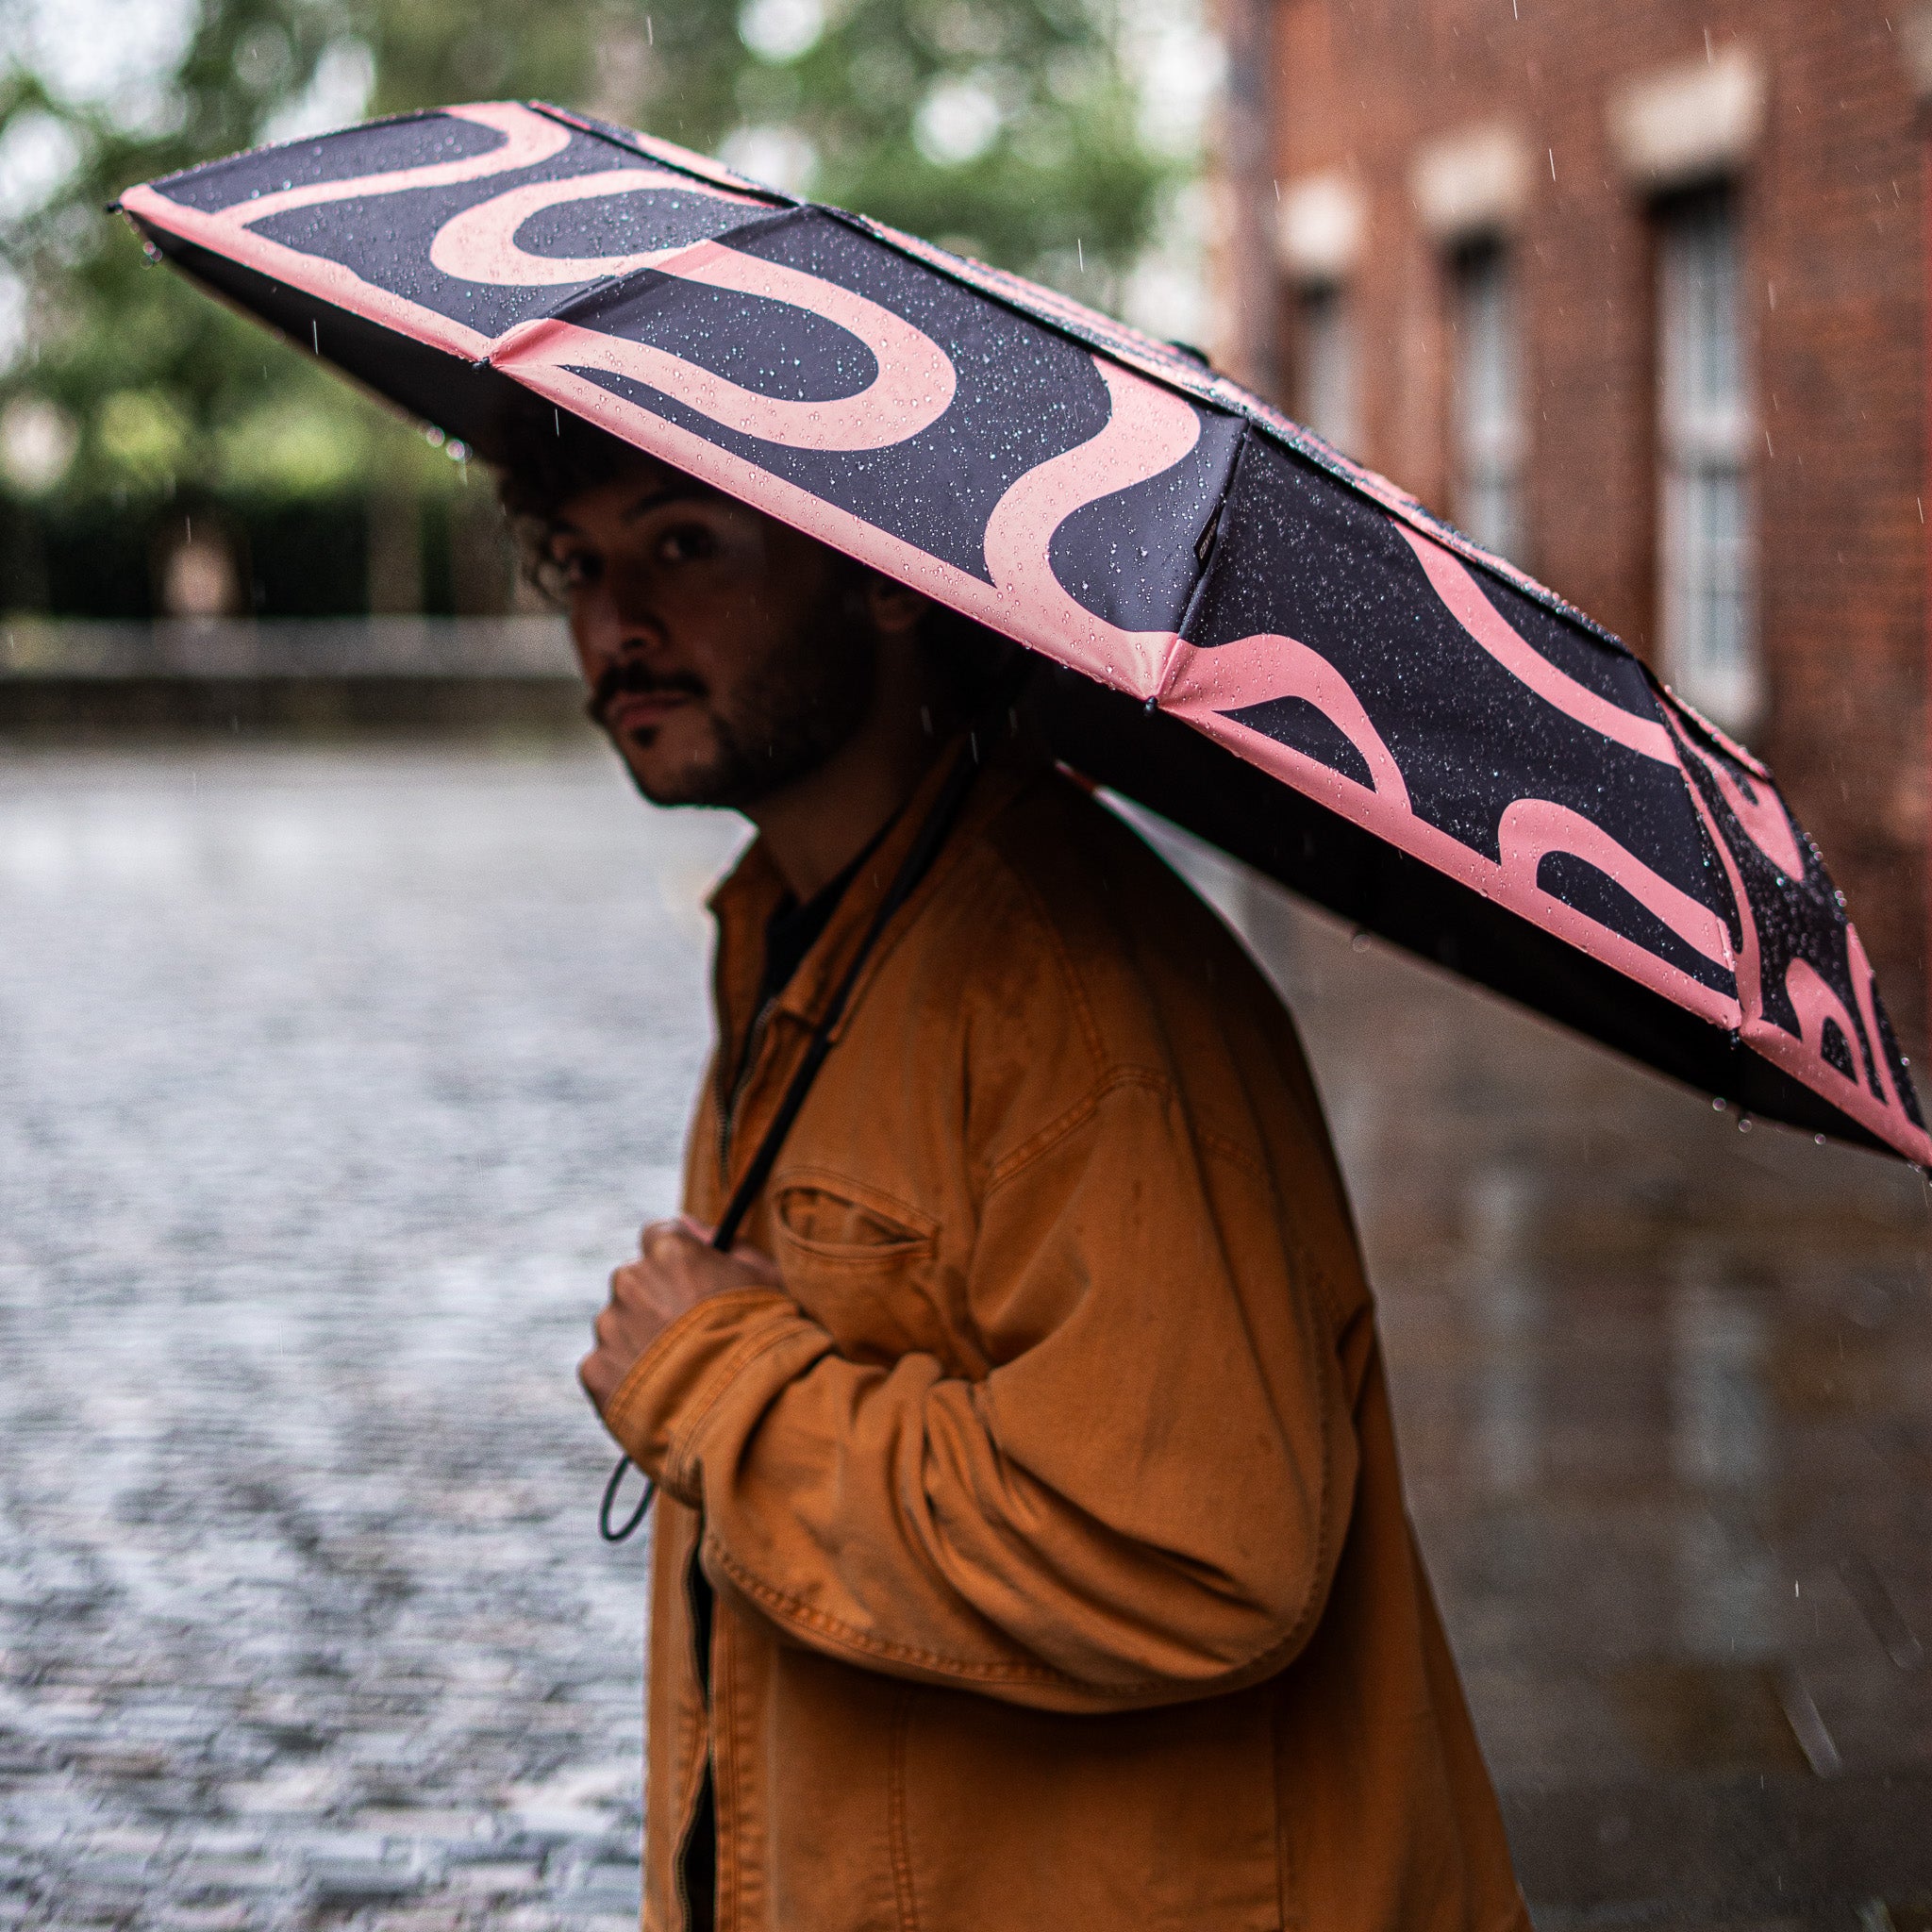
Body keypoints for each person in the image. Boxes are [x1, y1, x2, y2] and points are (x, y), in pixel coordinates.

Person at [497, 415, 1529, 1932]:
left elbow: (1195, 1550)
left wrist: (718, 1384)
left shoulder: (1066, 992)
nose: (617, 627)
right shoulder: (809, 924)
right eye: (577, 564)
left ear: (883, 573)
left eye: (685, 544)